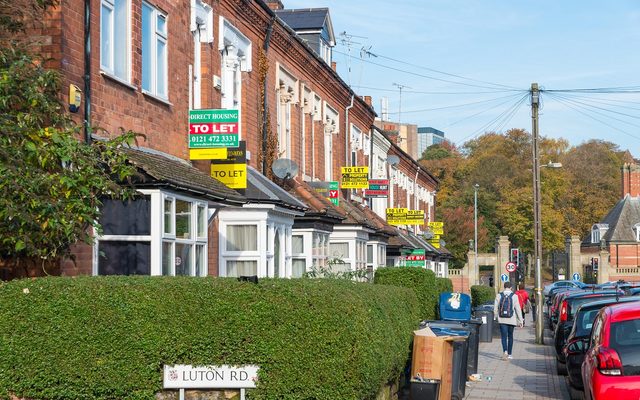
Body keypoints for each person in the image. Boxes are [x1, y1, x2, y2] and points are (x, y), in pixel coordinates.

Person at [494, 281, 523, 360]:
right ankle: (510, 354)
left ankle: (505, 351)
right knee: (510, 336)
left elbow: (495, 308)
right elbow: (518, 309)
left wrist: (495, 316)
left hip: (502, 319)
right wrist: (521, 321)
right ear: (511, 288)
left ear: (504, 287)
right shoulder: (514, 296)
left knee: (503, 337)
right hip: (511, 319)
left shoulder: (499, 295)